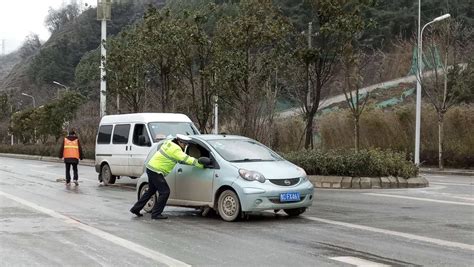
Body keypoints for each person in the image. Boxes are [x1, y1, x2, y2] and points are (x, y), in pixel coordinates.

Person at [130, 134, 203, 220]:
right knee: (165, 192)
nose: (185, 146)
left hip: (151, 168)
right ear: (179, 142)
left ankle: (135, 209)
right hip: (156, 170)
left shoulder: (169, 143)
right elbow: (186, 159)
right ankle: (156, 214)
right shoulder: (175, 150)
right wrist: (200, 164)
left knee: (151, 190)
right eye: (184, 144)